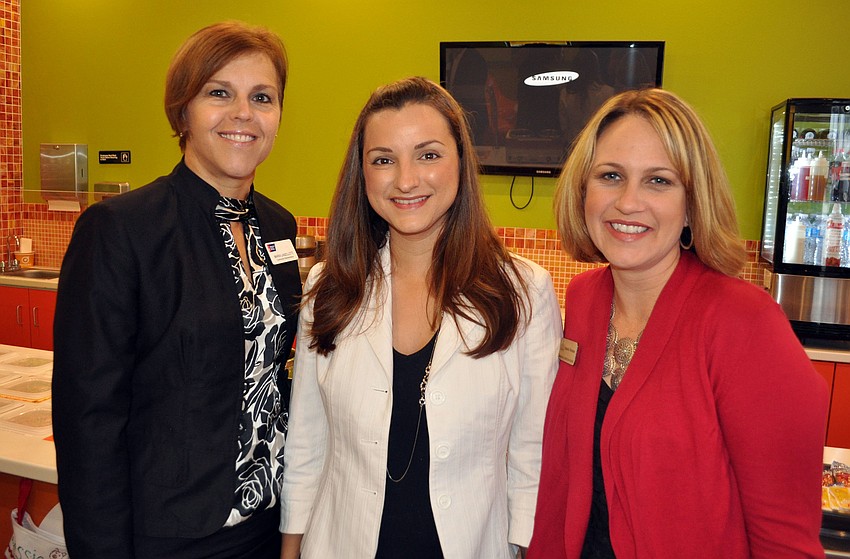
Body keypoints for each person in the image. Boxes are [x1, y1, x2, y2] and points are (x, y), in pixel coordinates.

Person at [527, 88, 829, 558]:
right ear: (583, 190)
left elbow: (785, 541)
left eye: (659, 181)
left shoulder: (745, 323)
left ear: (692, 203)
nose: (628, 202)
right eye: (611, 176)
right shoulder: (584, 298)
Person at [280, 76, 562, 559]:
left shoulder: (522, 292)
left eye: (428, 154)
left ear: (460, 162)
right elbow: (307, 444)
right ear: (362, 173)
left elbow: (531, 454)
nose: (405, 180)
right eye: (383, 159)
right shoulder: (330, 286)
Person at [52, 21, 301, 558]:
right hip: (171, 535)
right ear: (182, 110)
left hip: (267, 524)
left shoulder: (278, 229)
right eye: (219, 93)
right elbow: (87, 420)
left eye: (263, 97)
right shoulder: (122, 230)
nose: (244, 113)